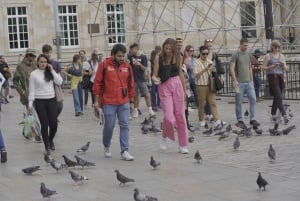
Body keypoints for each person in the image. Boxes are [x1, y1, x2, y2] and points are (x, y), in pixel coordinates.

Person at [93, 44, 135, 161]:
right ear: (113, 55)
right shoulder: (104, 65)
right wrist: (96, 102)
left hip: (124, 101)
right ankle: (106, 145)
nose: (122, 58)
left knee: (125, 125)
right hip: (108, 101)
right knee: (109, 125)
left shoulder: (127, 66)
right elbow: (97, 83)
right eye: (119, 56)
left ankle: (125, 150)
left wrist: (132, 102)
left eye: (123, 56)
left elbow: (131, 84)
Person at [152, 38, 189, 154]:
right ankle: (164, 136)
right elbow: (154, 75)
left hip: (177, 84)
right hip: (164, 86)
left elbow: (181, 74)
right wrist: (155, 80)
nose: (167, 50)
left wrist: (185, 91)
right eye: (165, 48)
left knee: (181, 117)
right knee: (169, 117)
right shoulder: (159, 57)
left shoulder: (178, 57)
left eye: (169, 48)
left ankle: (183, 145)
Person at [28, 54, 63, 155]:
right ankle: (47, 145)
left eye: (45, 62)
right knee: (45, 124)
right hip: (39, 101)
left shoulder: (50, 72)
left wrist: (52, 70)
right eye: (41, 62)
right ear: (37, 62)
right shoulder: (34, 74)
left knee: (54, 124)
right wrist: (30, 103)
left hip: (51, 99)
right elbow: (32, 90)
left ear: (47, 63)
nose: (43, 64)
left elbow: (60, 82)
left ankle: (50, 139)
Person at [230, 38, 260, 129]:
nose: (246, 47)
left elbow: (249, 67)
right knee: (239, 102)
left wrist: (252, 80)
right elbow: (232, 68)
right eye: (244, 45)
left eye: (247, 45)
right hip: (239, 83)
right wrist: (235, 80)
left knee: (253, 99)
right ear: (240, 44)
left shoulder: (248, 54)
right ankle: (240, 119)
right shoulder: (236, 55)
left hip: (249, 82)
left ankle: (253, 118)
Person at [194, 46, 222, 128]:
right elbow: (196, 76)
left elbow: (214, 72)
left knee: (213, 103)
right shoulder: (196, 62)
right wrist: (205, 69)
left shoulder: (210, 61)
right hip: (201, 86)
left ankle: (217, 120)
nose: (205, 55)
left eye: (207, 53)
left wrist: (214, 70)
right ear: (200, 53)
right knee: (202, 104)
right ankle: (201, 119)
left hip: (210, 85)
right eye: (203, 54)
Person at [262, 40, 289, 124]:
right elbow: (263, 67)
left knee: (276, 98)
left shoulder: (281, 56)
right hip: (272, 77)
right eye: (276, 47)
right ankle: (284, 115)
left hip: (280, 77)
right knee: (279, 97)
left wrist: (283, 64)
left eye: (278, 47)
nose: (277, 49)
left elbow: (286, 68)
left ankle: (273, 114)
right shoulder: (268, 56)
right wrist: (271, 66)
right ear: (272, 47)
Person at [128, 43, 155, 118]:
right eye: (130, 50)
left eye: (132, 49)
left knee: (146, 95)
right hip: (134, 80)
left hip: (142, 79)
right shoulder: (130, 57)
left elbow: (145, 69)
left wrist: (139, 65)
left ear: (136, 49)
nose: (131, 51)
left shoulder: (143, 57)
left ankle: (150, 110)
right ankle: (136, 111)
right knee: (136, 96)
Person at [203, 39, 224, 121]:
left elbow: (219, 65)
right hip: (205, 78)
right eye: (208, 46)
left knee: (211, 96)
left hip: (213, 77)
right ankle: (207, 113)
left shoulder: (215, 55)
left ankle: (210, 113)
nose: (209, 47)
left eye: (211, 46)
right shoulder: (203, 54)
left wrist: (221, 74)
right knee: (207, 97)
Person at [42, 44, 64, 117]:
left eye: (50, 52)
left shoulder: (56, 63)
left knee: (59, 106)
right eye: (46, 52)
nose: (48, 54)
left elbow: (59, 76)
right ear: (43, 53)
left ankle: (53, 117)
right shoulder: (40, 63)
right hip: (44, 88)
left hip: (55, 87)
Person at [150, 46, 161, 111]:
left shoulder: (160, 60)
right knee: (153, 92)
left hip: (158, 77)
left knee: (159, 91)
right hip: (153, 77)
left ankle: (158, 104)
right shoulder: (152, 61)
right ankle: (154, 105)